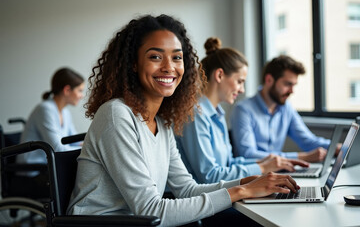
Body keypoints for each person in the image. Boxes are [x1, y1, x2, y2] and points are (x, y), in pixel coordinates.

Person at [66, 14, 299, 227]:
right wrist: (240, 192)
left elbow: (187, 189)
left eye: (177, 57)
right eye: (155, 56)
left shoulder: (163, 123)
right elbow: (151, 210)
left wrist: (244, 183)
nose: (169, 67)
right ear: (133, 64)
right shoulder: (116, 115)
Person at [176, 37, 308, 185]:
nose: (242, 90)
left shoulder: (217, 114)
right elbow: (210, 177)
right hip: (207, 203)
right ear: (219, 75)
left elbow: (229, 163)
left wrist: (266, 160)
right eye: (239, 81)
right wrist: (262, 167)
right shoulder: (195, 114)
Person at [230, 55, 331, 163]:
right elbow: (248, 154)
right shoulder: (243, 110)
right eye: (288, 84)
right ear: (269, 80)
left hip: (278, 173)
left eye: (294, 85)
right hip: (254, 176)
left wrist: (340, 148)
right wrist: (300, 157)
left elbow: (308, 141)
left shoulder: (286, 108)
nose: (292, 91)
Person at [15, 67, 84, 197]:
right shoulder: (45, 109)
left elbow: (75, 141)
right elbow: (57, 148)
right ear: (67, 90)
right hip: (33, 172)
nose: (82, 95)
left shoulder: (65, 112)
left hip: (47, 168)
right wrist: (87, 150)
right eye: (80, 90)